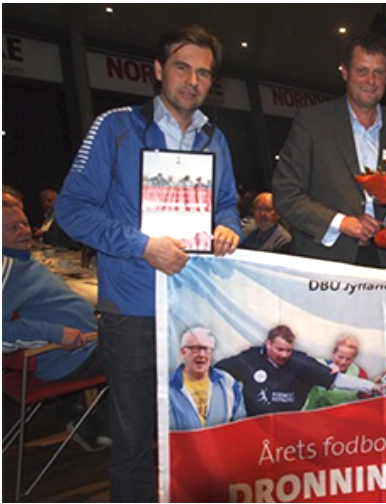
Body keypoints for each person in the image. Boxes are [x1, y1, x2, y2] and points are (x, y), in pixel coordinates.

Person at [55, 25, 242, 502]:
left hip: (194, 308)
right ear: (158, 70)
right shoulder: (116, 128)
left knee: (197, 432)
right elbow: (71, 210)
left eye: (204, 73)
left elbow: (226, 204)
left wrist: (228, 227)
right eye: (182, 67)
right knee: (134, 441)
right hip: (133, 310)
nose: (192, 81)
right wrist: (141, 246)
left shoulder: (214, 139)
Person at [272, 32, 386, 268]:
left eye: (378, 72)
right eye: (362, 71)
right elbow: (285, 194)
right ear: (344, 72)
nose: (371, 81)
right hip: (325, 262)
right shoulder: (312, 123)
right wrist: (341, 223)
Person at [2, 201, 109, 450]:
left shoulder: (20, 261)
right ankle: (96, 426)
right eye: (12, 227)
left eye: (24, 224)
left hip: (80, 345)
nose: (24, 231)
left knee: (134, 336)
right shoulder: (6, 268)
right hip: (69, 356)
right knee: (148, 353)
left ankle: (86, 417)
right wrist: (57, 334)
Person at [216, 325, 381, 417]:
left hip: (291, 427)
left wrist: (371, 386)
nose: (284, 355)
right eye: (280, 349)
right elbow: (217, 374)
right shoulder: (249, 358)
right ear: (268, 344)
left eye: (288, 350)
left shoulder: (301, 362)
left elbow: (335, 379)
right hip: (255, 425)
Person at [168, 327, 246, 431]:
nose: (201, 354)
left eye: (206, 349)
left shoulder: (228, 383)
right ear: (183, 352)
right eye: (195, 349)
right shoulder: (166, 387)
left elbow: (240, 426)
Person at [304, 334, 370, 410]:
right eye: (340, 357)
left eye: (348, 359)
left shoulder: (360, 373)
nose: (343, 362)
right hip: (316, 412)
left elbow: (366, 400)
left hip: (345, 413)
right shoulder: (318, 366)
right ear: (334, 353)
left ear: (354, 358)